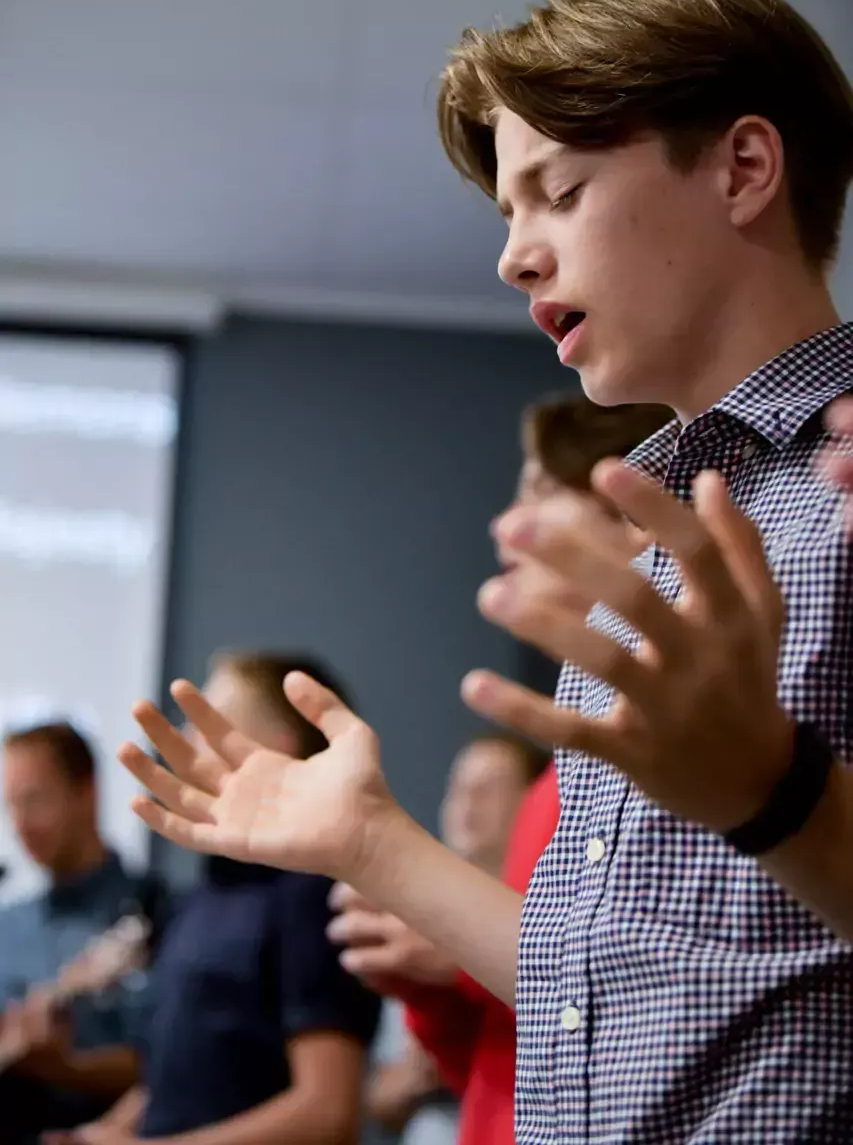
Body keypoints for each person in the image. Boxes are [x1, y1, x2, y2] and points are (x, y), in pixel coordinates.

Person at [119, 0, 853, 1143]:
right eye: (508, 215)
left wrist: (775, 790)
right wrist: (370, 842)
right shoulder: (648, 547)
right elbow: (614, 992)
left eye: (557, 192)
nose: (514, 255)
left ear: (743, 168)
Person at [330, 395, 668, 1145]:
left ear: (639, 512)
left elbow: (657, 1022)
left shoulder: (684, 765)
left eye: (541, 490)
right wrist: (433, 986)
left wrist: (455, 953)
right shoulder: (557, 785)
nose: (503, 523)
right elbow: (501, 1072)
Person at [53, 652, 380, 1145]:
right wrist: (101, 1134)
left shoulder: (310, 897)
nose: (181, 740)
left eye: (205, 721)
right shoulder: (201, 897)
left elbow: (327, 1112)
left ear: (274, 750)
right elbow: (174, 1078)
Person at [354, 731, 549, 1145]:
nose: (467, 801)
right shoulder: (412, 930)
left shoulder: (559, 919)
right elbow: (379, 1098)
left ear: (535, 801)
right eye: (458, 787)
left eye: (489, 788)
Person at [0, 718, 168, 1144]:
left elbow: (174, 1061)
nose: (21, 824)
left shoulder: (156, 910)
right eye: (11, 805)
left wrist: (67, 1069)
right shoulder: (8, 922)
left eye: (35, 800)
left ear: (87, 792)